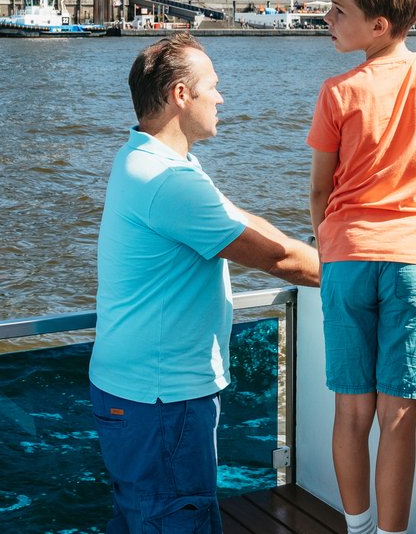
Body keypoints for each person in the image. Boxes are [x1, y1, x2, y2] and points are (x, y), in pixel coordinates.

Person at [89, 34, 320, 534]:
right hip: (162, 399)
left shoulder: (148, 160)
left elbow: (242, 220)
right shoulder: (170, 182)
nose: (221, 97)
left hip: (133, 392)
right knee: (175, 521)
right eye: (212, 87)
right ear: (180, 95)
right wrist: (355, 274)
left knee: (139, 517)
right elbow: (277, 257)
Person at [308, 0, 416, 534]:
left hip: (349, 258)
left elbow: (321, 191)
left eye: (337, 10)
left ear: (379, 25)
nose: (326, 17)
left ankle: (356, 528)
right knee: (398, 416)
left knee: (351, 412)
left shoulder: (338, 92)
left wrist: (327, 252)